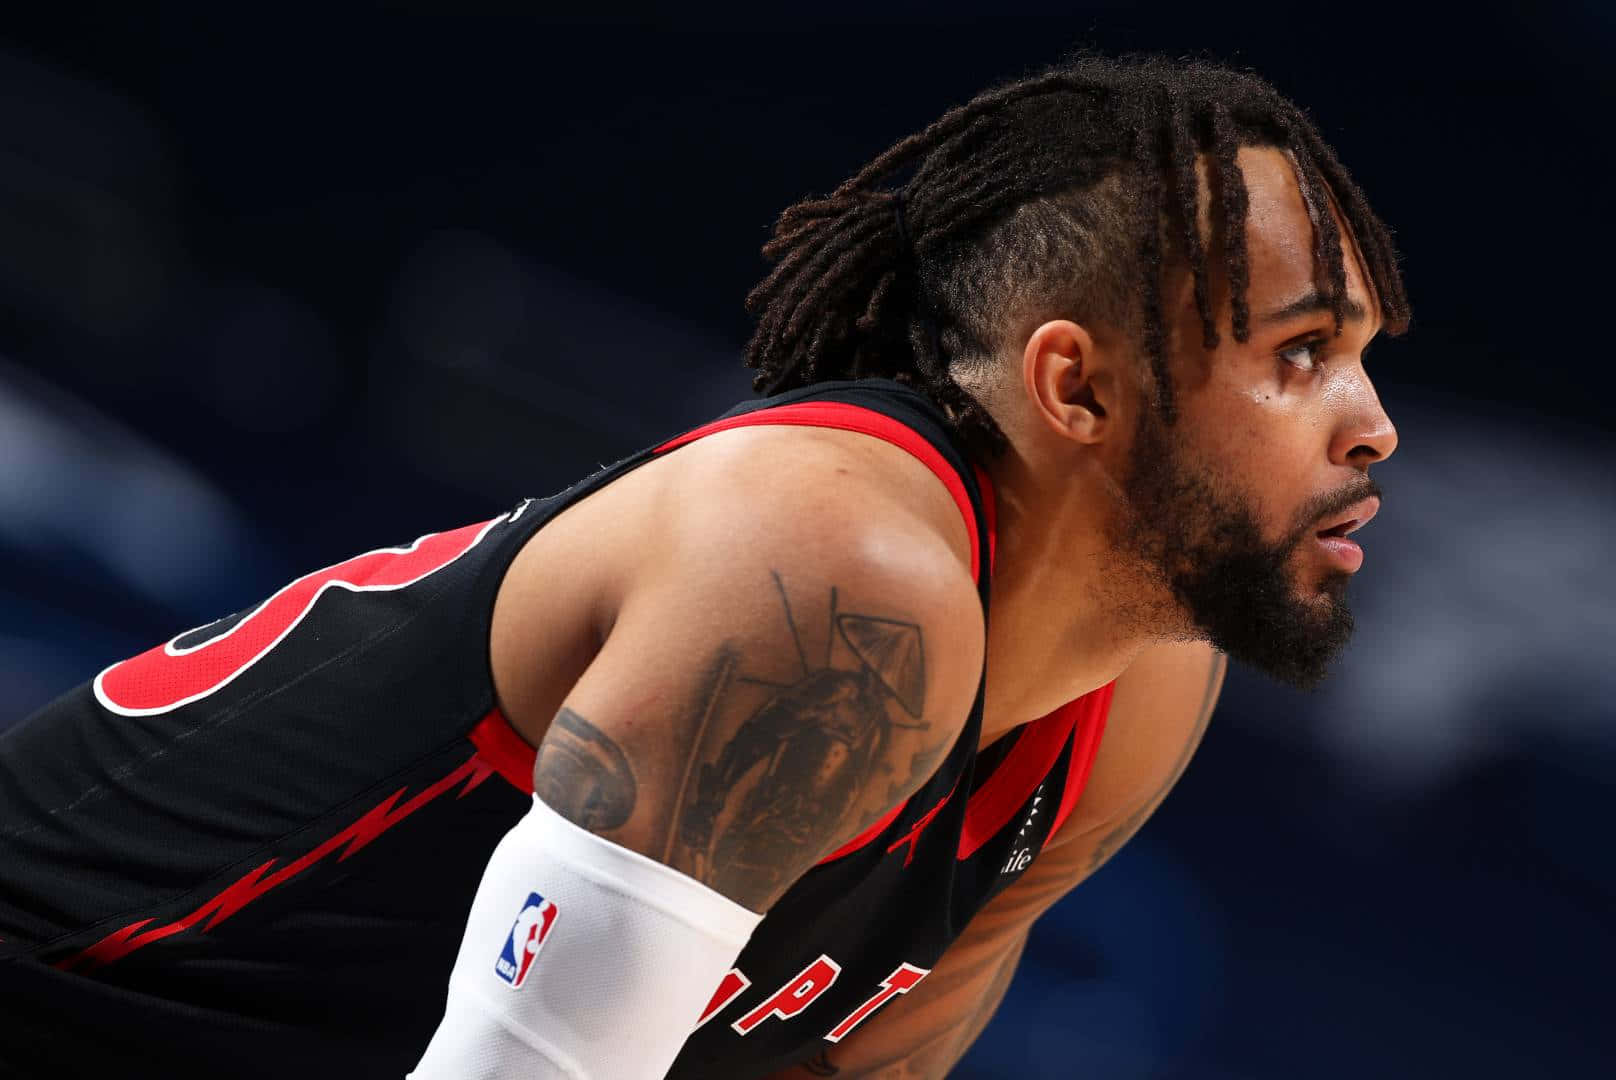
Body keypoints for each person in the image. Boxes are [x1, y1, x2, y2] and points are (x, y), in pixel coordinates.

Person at [0, 49, 1406, 1079]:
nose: (1375, 428)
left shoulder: (1139, 681)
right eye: (1301, 355)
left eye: (1359, 360)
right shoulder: (835, 572)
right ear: (1078, 391)